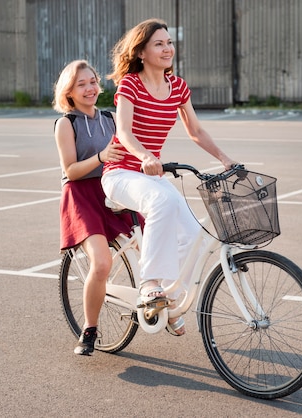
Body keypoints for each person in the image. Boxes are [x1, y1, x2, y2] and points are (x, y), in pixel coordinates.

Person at [101, 18, 237, 336]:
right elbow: (124, 130)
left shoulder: (177, 87)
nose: (167, 49)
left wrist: (225, 159)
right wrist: (146, 156)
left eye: (169, 43)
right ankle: (150, 285)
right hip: (121, 174)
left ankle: (169, 301)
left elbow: (196, 131)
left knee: (193, 236)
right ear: (142, 52)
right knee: (162, 200)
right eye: (159, 44)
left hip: (152, 177)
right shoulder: (130, 85)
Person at [52, 60, 131, 355]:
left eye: (93, 81)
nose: (90, 88)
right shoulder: (66, 123)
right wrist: (101, 156)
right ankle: (90, 329)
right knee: (101, 263)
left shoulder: (110, 118)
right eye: (81, 84)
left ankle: (165, 307)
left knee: (155, 243)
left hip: (112, 190)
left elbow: (126, 154)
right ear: (69, 91)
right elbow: (70, 170)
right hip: (82, 196)